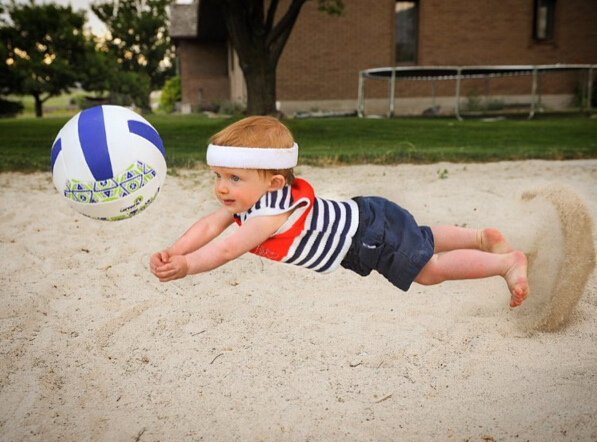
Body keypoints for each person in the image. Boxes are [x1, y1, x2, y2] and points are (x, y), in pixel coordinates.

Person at [150, 116, 529, 307]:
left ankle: (506, 263)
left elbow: (225, 249)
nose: (221, 187)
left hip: (368, 237)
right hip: (368, 217)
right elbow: (207, 227)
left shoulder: (268, 216)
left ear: (274, 184)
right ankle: (481, 238)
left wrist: (186, 267)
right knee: (419, 237)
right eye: (217, 176)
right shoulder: (252, 201)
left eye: (234, 178)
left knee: (427, 271)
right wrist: (178, 250)